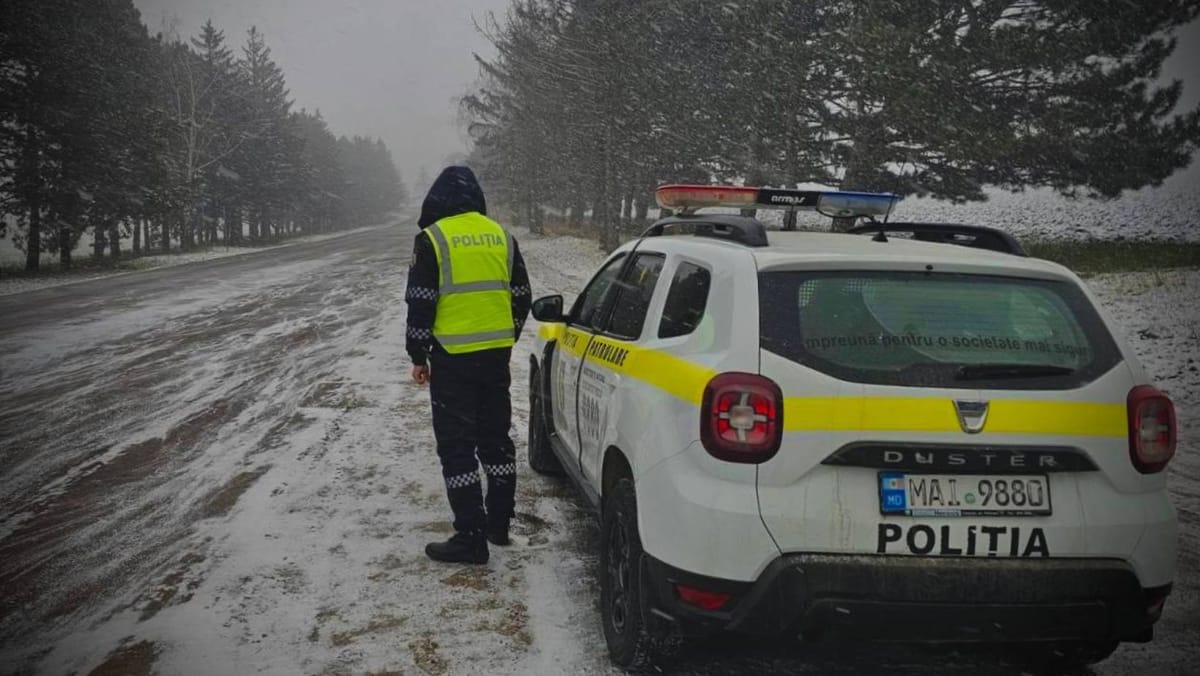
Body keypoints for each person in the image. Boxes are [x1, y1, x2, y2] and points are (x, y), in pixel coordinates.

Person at [405, 166, 531, 564]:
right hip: (495, 359)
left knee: (457, 448)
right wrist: (504, 335)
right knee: (495, 440)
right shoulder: (502, 237)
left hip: (453, 361)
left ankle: (470, 536)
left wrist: (418, 354)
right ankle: (498, 524)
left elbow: (421, 301)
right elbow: (523, 296)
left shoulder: (432, 240)